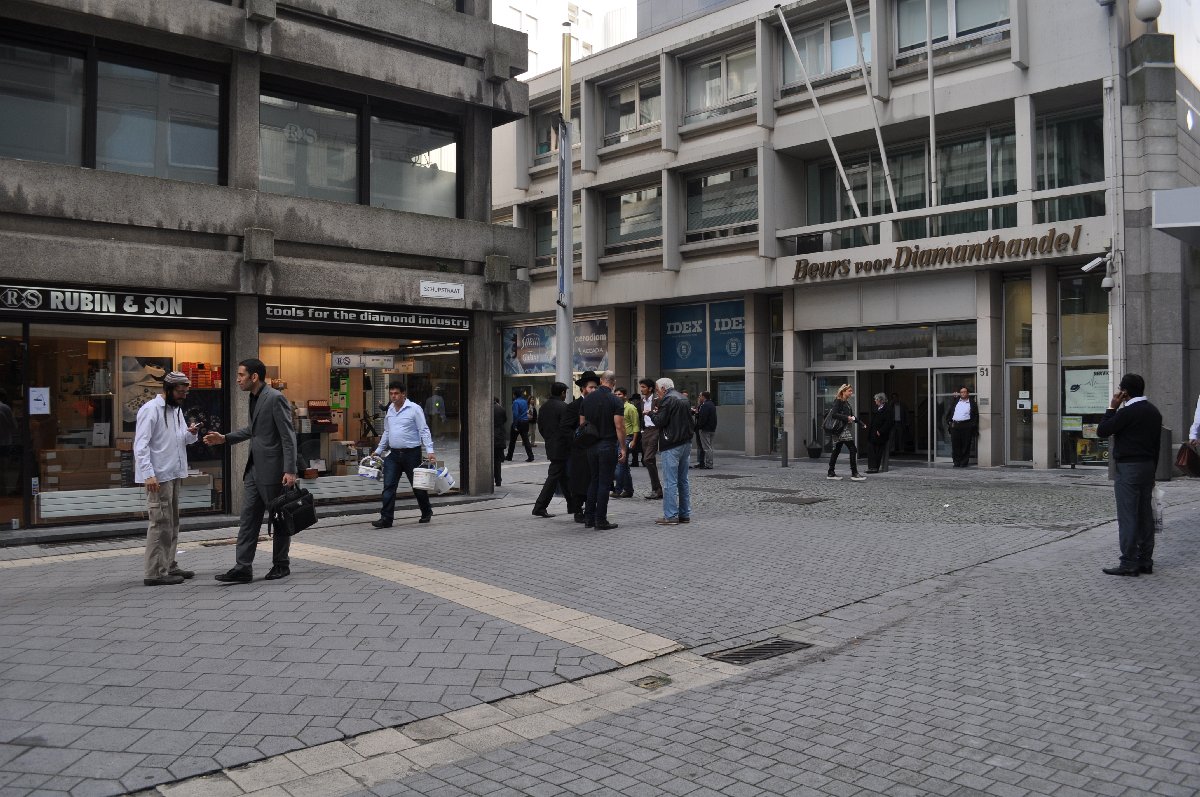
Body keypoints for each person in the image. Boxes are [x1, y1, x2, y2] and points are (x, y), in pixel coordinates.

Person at [204, 358, 298, 583]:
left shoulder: (275, 398)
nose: (237, 379)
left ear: (254, 377)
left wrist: (290, 470)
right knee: (247, 519)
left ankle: (281, 564)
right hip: (254, 469)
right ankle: (243, 568)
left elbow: (288, 436)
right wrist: (225, 438)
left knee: (278, 518)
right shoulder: (253, 397)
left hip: (274, 471)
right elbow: (253, 430)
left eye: (241, 375)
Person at [134, 372, 200, 586]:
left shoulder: (176, 409)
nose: (183, 396)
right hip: (158, 476)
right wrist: (148, 474)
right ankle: (154, 572)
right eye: (180, 392)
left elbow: (181, 440)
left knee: (172, 522)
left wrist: (191, 433)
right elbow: (140, 445)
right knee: (160, 522)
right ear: (168, 389)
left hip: (172, 473)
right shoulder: (150, 409)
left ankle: (168, 564)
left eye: (185, 392)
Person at [1097, 374, 1162, 577]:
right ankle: (1145, 560)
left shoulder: (1127, 412)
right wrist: (1153, 472)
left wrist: (1111, 408)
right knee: (1145, 514)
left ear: (1125, 392)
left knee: (1128, 516)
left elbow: (1102, 430)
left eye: (1120, 389)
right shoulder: (1154, 412)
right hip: (1147, 466)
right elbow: (1157, 445)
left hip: (1128, 468)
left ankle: (1128, 562)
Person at [371, 382, 435, 527]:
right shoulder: (390, 410)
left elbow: (424, 430)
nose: (393, 396)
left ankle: (426, 511)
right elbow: (387, 432)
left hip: (411, 454)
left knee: (418, 486)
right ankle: (386, 519)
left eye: (396, 393)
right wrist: (379, 450)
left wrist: (430, 451)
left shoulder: (414, 409)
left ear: (403, 394)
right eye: (391, 393)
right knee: (389, 486)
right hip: (393, 455)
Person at [580, 370, 626, 530]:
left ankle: (589, 518)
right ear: (614, 383)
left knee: (594, 480)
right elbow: (619, 426)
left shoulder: (587, 399)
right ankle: (600, 520)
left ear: (601, 381)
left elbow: (582, 424)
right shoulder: (615, 401)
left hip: (591, 445)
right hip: (607, 444)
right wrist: (623, 447)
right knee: (604, 483)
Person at [652, 377, 693, 525]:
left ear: (663, 388)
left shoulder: (668, 400)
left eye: (657, 390)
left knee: (670, 481)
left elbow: (660, 421)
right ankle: (684, 513)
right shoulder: (683, 398)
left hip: (671, 443)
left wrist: (651, 414)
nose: (657, 393)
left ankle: (670, 515)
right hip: (685, 442)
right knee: (683, 480)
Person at [532, 382, 573, 518]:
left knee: (563, 477)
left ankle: (572, 505)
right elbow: (567, 429)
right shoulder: (564, 407)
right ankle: (540, 506)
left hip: (551, 445)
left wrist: (549, 438)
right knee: (554, 476)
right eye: (565, 393)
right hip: (562, 447)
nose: (565, 395)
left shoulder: (544, 407)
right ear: (562, 393)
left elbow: (541, 427)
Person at [567, 372, 599, 523]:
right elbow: (565, 428)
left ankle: (590, 508)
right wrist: (578, 438)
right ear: (583, 389)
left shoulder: (599, 404)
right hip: (579, 450)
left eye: (596, 387)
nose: (594, 390)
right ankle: (578, 510)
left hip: (595, 448)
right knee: (579, 481)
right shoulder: (574, 406)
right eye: (591, 387)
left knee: (593, 479)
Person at [826, 384, 866, 481]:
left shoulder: (847, 403)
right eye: (849, 391)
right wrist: (846, 418)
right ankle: (854, 473)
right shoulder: (838, 401)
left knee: (836, 450)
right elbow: (834, 414)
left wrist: (861, 423)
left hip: (842, 429)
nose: (851, 392)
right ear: (843, 392)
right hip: (841, 430)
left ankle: (831, 472)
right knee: (853, 449)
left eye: (851, 391)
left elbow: (852, 416)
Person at [610, 387, 639, 499]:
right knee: (624, 466)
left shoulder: (631, 408)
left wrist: (634, 440)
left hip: (627, 438)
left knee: (620, 464)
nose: (617, 396)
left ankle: (618, 490)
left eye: (620, 394)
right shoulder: (614, 407)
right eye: (616, 394)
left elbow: (636, 426)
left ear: (625, 396)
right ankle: (628, 490)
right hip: (616, 438)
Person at [638, 379, 663, 500]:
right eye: (641, 387)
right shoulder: (642, 401)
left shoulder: (657, 400)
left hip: (655, 430)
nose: (641, 389)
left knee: (647, 459)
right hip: (646, 431)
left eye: (643, 387)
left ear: (650, 388)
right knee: (650, 460)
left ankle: (657, 489)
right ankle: (656, 489)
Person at [944, 387, 978, 467]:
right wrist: (949, 422)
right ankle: (956, 462)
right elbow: (950, 412)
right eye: (961, 392)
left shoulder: (972, 403)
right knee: (955, 445)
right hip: (955, 426)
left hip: (966, 425)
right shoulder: (956, 402)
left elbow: (975, 415)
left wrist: (972, 425)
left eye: (964, 392)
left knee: (966, 445)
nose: (963, 393)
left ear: (968, 393)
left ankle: (964, 462)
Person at [865, 393, 895, 474]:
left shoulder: (887, 409)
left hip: (880, 434)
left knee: (878, 451)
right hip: (873, 433)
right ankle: (871, 467)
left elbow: (888, 422)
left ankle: (874, 468)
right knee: (871, 449)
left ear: (881, 400)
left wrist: (881, 431)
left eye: (876, 399)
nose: (875, 401)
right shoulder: (878, 408)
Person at [506, 389, 534, 462]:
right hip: (525, 422)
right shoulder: (525, 401)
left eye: (513, 394)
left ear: (515, 395)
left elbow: (515, 414)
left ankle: (509, 456)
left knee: (512, 441)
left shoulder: (516, 402)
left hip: (519, 422)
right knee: (526, 440)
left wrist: (515, 425)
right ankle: (531, 456)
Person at [695, 391, 717, 469]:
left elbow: (703, 418)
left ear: (703, 397)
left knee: (707, 448)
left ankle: (709, 464)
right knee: (710, 446)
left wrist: (699, 427)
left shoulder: (705, 405)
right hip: (712, 429)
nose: (699, 397)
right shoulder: (712, 404)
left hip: (705, 429)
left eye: (700, 396)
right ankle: (708, 463)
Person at [492, 397, 506, 487]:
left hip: (490, 436)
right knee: (497, 461)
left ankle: (488, 480)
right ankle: (498, 480)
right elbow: (505, 420)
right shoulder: (501, 408)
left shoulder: (486, 408)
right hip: (499, 436)